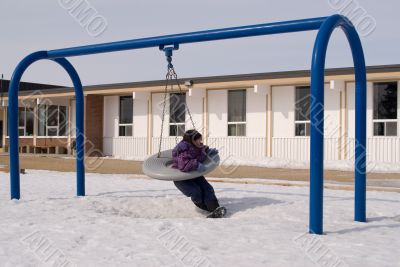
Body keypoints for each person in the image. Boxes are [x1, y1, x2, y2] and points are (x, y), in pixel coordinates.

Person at [172, 129, 226, 218]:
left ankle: (215, 208)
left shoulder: (197, 146)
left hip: (194, 174)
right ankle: (204, 206)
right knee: (196, 191)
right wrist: (196, 164)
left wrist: (208, 151)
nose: (201, 141)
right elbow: (183, 164)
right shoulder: (183, 150)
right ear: (192, 140)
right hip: (182, 178)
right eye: (199, 140)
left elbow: (202, 150)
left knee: (207, 188)